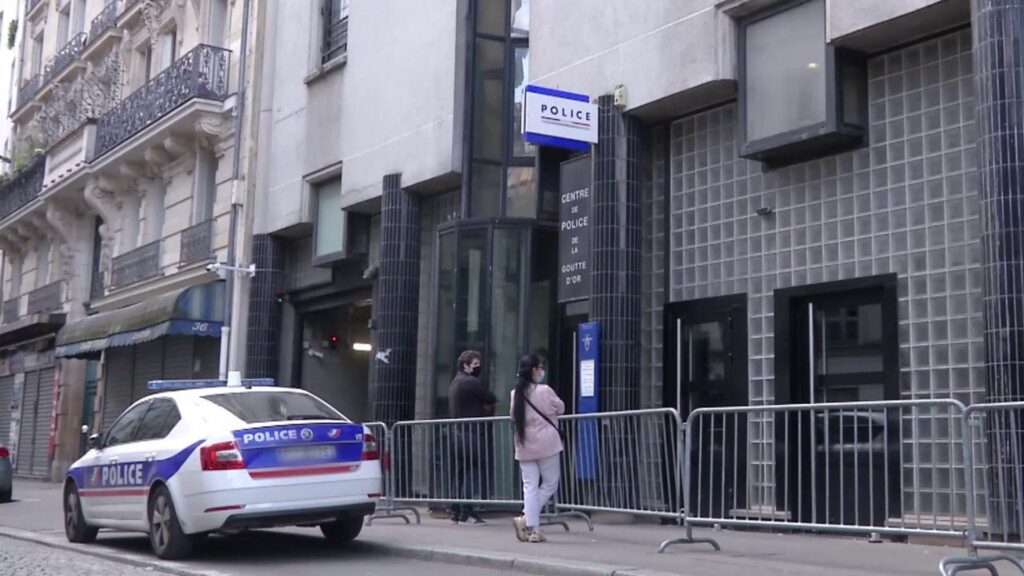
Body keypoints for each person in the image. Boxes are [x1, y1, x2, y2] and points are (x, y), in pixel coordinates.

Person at [510, 354, 564, 543]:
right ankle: (527, 520)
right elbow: (561, 408)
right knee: (550, 483)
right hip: (547, 443)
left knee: (530, 486)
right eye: (540, 367)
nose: (542, 371)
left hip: (524, 444)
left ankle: (533, 528)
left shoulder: (515, 393)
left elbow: (513, 416)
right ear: (534, 370)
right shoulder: (545, 390)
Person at [448, 350, 496, 525]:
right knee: (472, 472)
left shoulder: (455, 382)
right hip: (471, 434)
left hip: (458, 434)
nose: (478, 367)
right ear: (465, 366)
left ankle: (455, 510)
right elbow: (491, 398)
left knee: (461, 471)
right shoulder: (471, 382)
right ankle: (466, 511)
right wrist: (485, 406)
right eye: (475, 364)